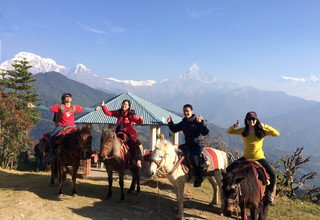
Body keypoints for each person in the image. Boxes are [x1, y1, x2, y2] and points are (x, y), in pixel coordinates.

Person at [226, 111, 280, 205]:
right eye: (249, 119)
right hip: (246, 157)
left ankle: (269, 194)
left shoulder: (262, 131)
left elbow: (276, 134)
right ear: (246, 120)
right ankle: (230, 190)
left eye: (253, 119)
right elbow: (229, 131)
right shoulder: (243, 131)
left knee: (272, 175)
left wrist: (265, 126)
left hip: (259, 158)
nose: (251, 121)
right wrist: (234, 125)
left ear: (256, 120)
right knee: (228, 169)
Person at [28, 93, 99, 161]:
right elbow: (48, 108)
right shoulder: (59, 107)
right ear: (63, 99)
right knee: (52, 137)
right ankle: (53, 153)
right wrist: (34, 107)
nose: (69, 98)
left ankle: (84, 153)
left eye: (70, 96)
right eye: (67, 97)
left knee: (82, 137)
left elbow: (84, 109)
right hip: (61, 126)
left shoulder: (74, 107)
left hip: (72, 126)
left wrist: (94, 109)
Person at [167, 104, 209, 187]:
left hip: (198, 144)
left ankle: (199, 177)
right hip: (188, 144)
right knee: (176, 151)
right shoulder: (184, 122)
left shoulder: (197, 120)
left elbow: (205, 132)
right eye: (184, 111)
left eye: (187, 111)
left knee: (193, 157)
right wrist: (170, 123)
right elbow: (175, 129)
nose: (186, 113)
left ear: (191, 111)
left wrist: (201, 123)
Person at [100, 99, 144, 167]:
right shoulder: (118, 112)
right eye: (123, 104)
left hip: (128, 133)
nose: (124, 105)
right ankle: (103, 156)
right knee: (106, 141)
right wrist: (103, 106)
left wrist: (140, 120)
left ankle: (138, 160)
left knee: (134, 144)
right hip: (118, 132)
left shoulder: (131, 114)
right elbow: (109, 113)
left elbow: (137, 121)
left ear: (129, 106)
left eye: (126, 105)